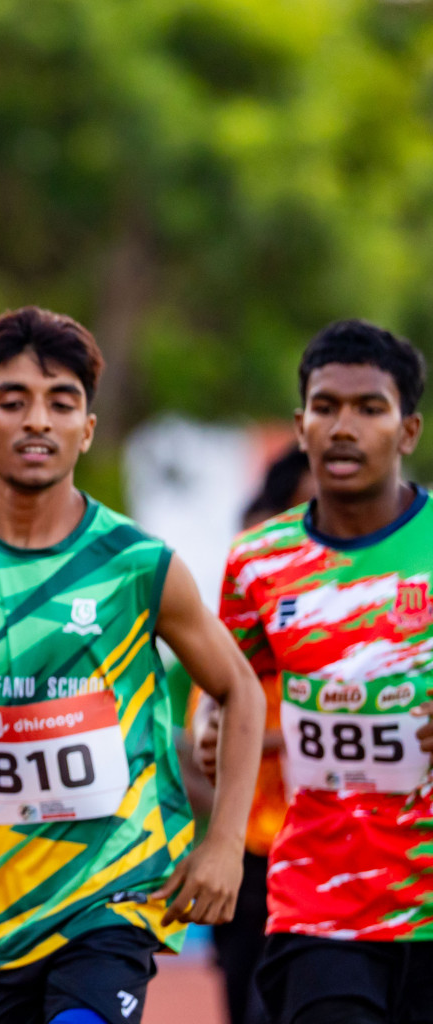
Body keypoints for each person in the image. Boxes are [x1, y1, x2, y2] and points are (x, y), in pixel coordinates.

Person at [0, 306, 265, 1024]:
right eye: (13, 401)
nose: (38, 420)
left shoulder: (136, 564)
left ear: (87, 430)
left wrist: (225, 846)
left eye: (61, 403)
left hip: (113, 893)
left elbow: (238, 689)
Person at [217, 320, 433, 1024]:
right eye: (326, 406)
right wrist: (206, 732)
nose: (344, 426)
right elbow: (223, 691)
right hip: (320, 901)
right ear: (300, 425)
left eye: (370, 408)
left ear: (408, 431)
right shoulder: (257, 564)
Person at [190, 448, 314, 1024]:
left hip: (358, 852)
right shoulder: (231, 633)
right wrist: (220, 840)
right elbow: (197, 739)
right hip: (257, 854)